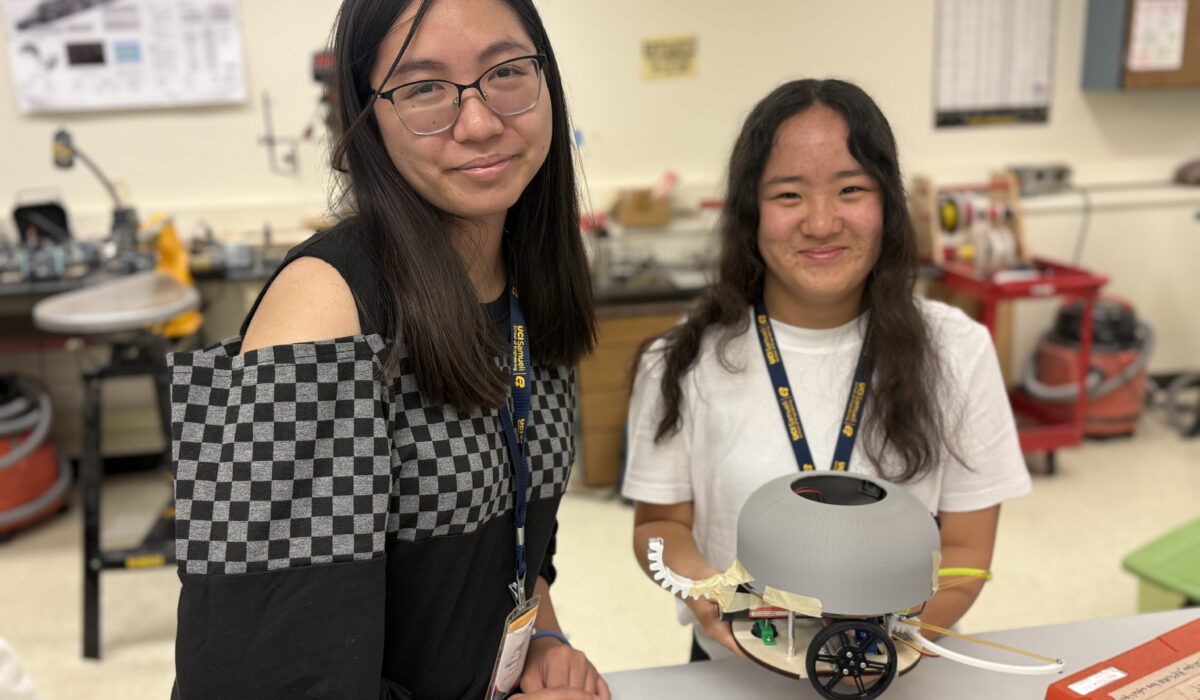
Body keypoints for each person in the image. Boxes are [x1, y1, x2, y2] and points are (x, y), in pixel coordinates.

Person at [168, 1, 609, 697]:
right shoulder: (325, 313)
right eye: (424, 87)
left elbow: (511, 548)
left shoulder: (529, 281)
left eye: (507, 72)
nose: (480, 121)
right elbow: (262, 679)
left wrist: (542, 635)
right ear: (367, 115)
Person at [621, 79, 1032, 662]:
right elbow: (658, 529)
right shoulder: (682, 360)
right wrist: (705, 588)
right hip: (732, 671)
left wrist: (872, 654)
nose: (820, 222)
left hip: (893, 671)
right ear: (750, 212)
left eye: (850, 189)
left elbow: (966, 550)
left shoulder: (958, 350)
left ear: (886, 203)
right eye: (788, 195)